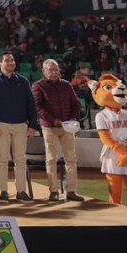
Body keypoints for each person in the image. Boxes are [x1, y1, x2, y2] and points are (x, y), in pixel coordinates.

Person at [0, 51, 38, 202]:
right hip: (1, 125)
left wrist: (32, 125)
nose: (11, 62)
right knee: (3, 159)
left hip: (21, 125)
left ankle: (21, 191)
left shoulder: (23, 81)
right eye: (7, 60)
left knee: (21, 159)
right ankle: (3, 192)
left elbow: (31, 105)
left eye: (12, 60)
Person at [31, 59, 85, 202]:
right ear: (43, 71)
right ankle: (53, 191)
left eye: (56, 69)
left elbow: (75, 103)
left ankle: (71, 191)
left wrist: (74, 118)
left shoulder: (66, 85)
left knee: (71, 159)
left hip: (67, 127)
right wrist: (53, 120)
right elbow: (38, 107)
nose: (54, 72)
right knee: (51, 159)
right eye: (50, 70)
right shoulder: (38, 86)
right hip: (49, 127)